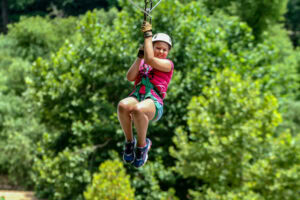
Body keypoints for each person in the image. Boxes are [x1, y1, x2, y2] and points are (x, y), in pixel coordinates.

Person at [117, 21, 174, 168]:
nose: (161, 52)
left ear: (168, 52)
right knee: (123, 106)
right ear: (151, 48)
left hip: (153, 103)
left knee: (138, 110)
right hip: (137, 96)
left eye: (164, 50)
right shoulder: (144, 62)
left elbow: (151, 59)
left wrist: (148, 35)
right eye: (157, 48)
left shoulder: (168, 65)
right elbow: (130, 77)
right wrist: (139, 57)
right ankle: (130, 142)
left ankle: (142, 147)